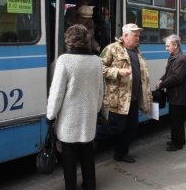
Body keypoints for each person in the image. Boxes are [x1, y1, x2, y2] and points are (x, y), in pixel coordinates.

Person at [46, 24, 104, 190]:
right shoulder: (96, 61)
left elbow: (56, 92)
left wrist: (51, 115)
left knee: (69, 158)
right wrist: (95, 110)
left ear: (69, 40)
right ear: (87, 40)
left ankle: (70, 186)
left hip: (68, 120)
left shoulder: (64, 60)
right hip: (89, 117)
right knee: (88, 155)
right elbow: (100, 91)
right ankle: (89, 184)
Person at [95, 23, 152, 163]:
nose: (138, 38)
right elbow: (98, 67)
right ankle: (89, 134)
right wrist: (117, 72)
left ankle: (121, 154)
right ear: (125, 36)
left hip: (133, 98)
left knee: (131, 129)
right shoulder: (112, 49)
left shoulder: (138, 51)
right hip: (119, 98)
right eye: (135, 35)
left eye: (139, 35)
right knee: (116, 128)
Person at [156, 34, 186, 151]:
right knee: (175, 119)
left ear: (175, 45)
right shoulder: (173, 57)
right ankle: (179, 139)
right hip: (175, 95)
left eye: (168, 46)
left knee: (176, 120)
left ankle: (177, 144)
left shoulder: (181, 59)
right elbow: (168, 74)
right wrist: (161, 80)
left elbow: (176, 78)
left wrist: (162, 84)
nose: (166, 48)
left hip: (179, 96)